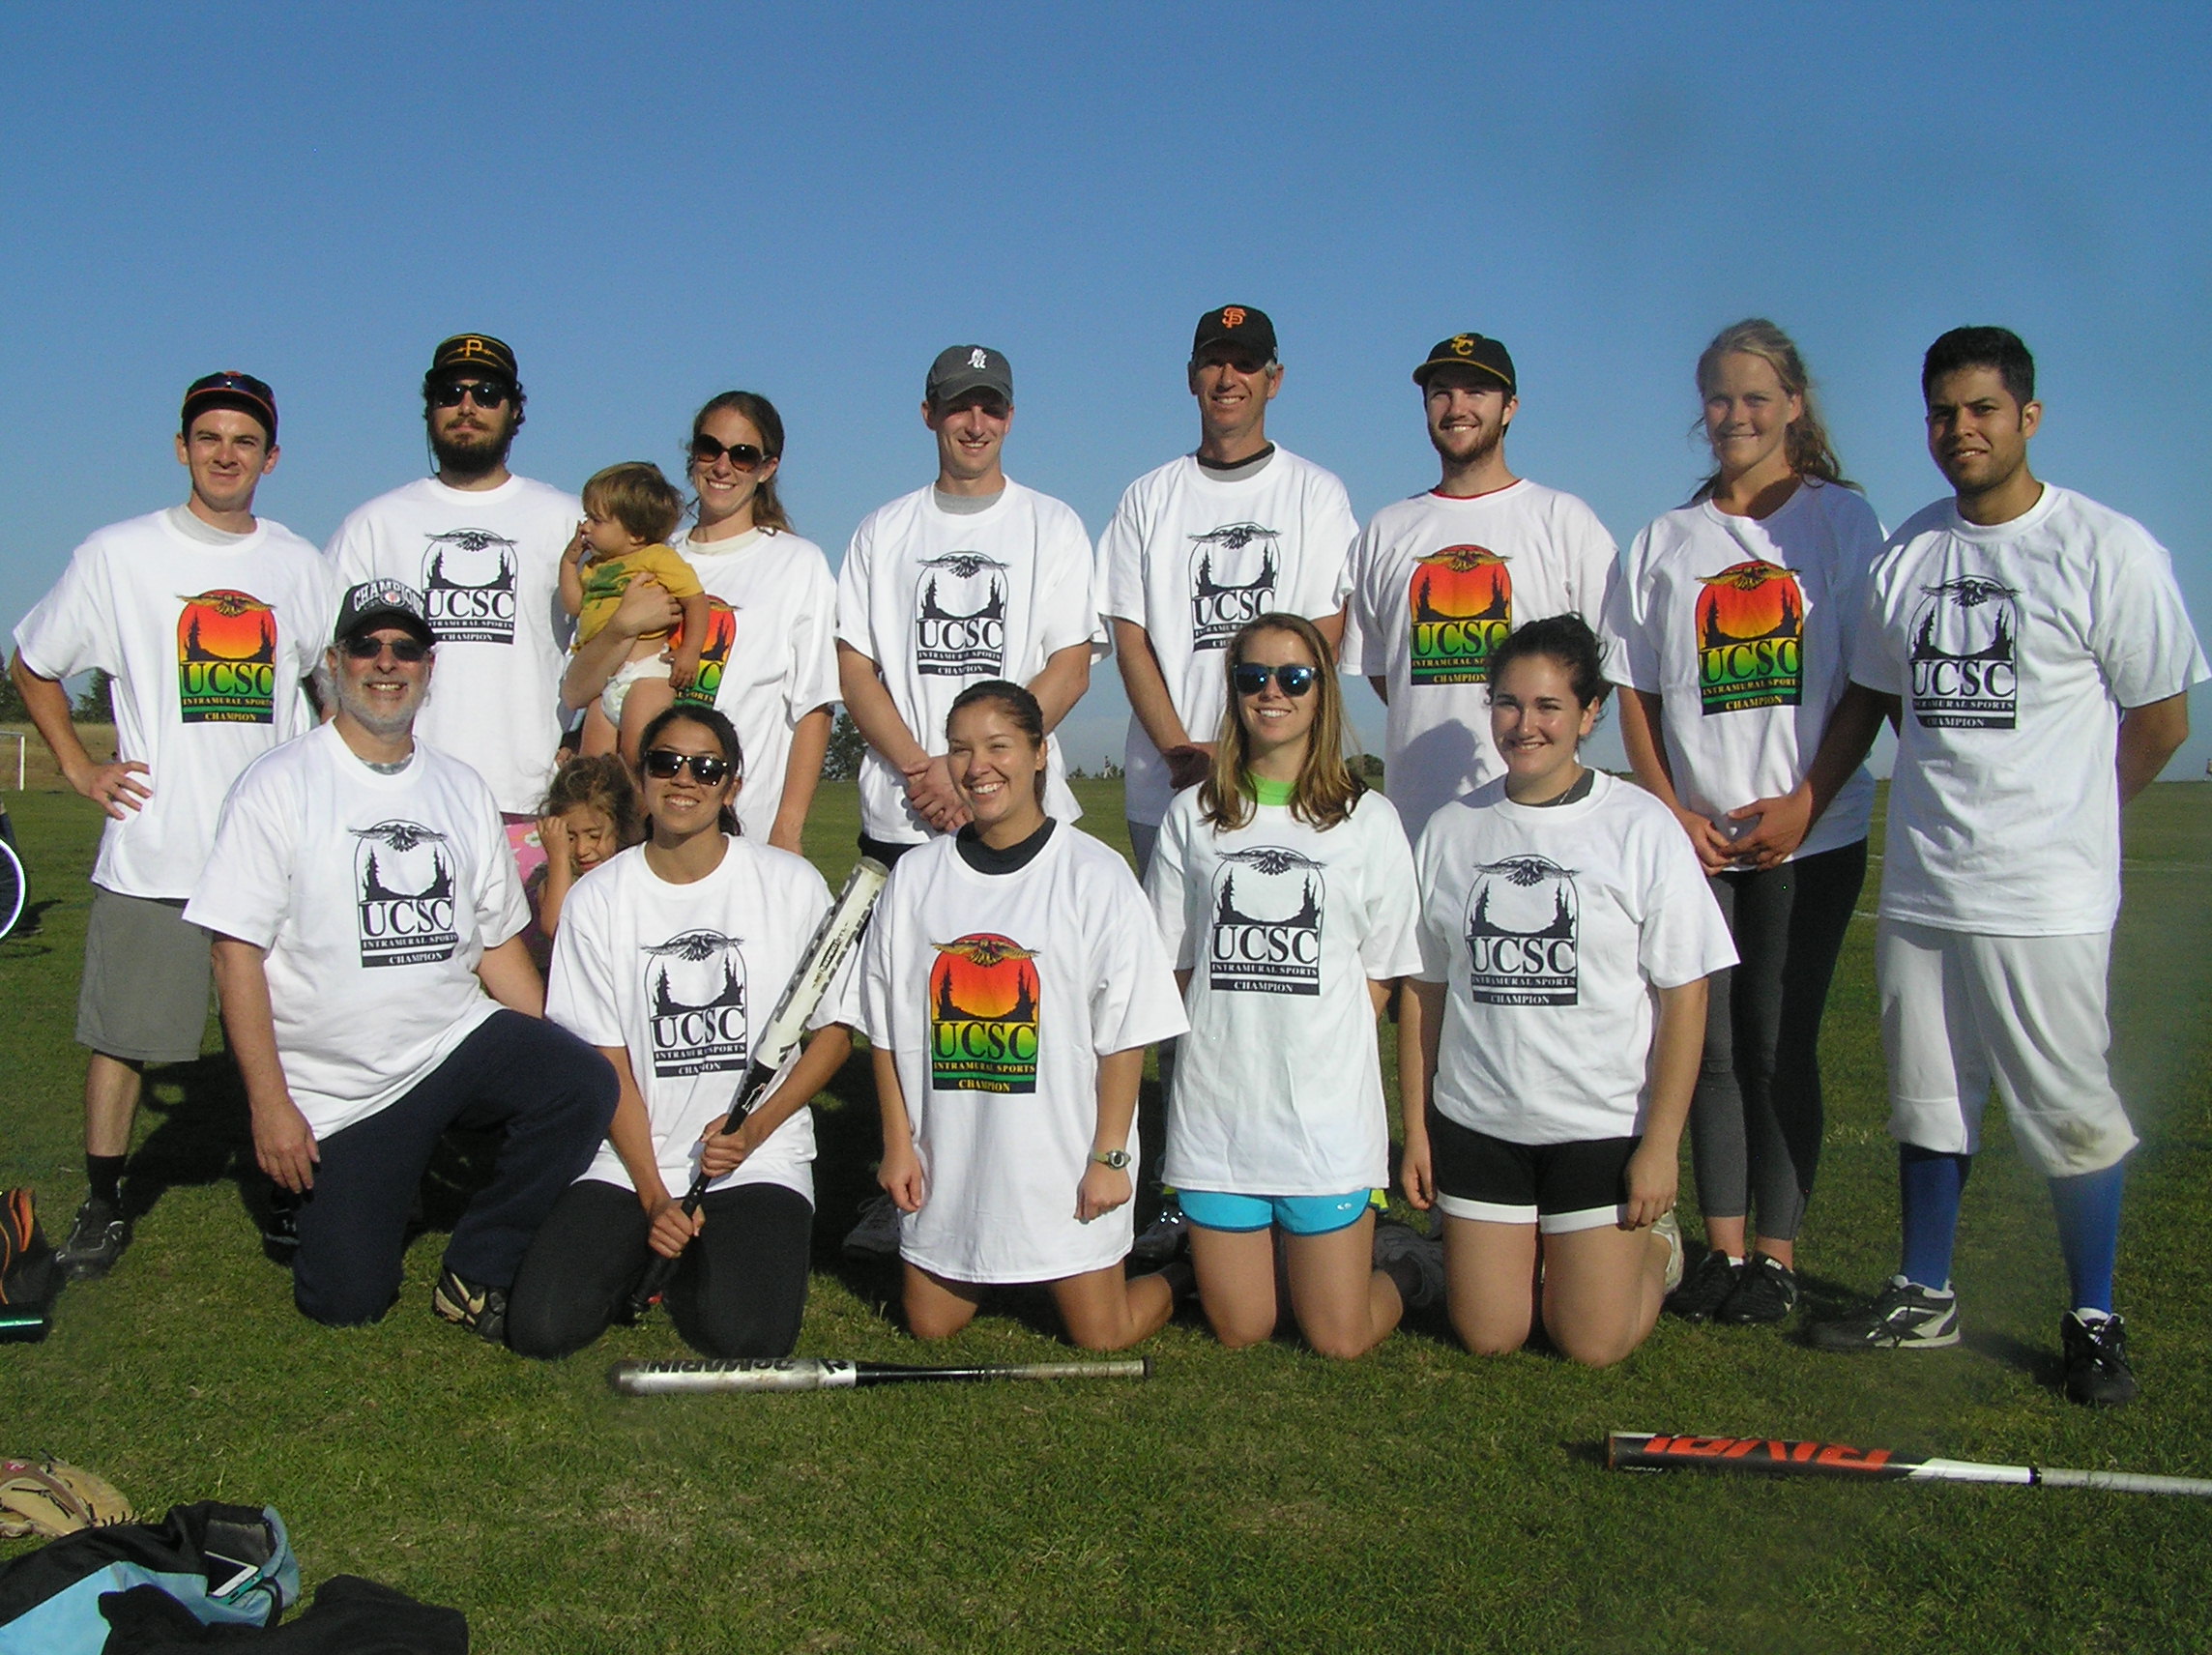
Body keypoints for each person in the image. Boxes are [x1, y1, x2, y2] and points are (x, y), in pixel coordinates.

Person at [1808, 327, 2206, 1407]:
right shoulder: (1908, 556)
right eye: (1941, 412)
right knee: (1926, 1098)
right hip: (1926, 882)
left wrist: (2079, 818)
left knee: (2067, 1103)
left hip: (2046, 894)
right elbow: (1878, 696)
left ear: (2027, 417)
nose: (1959, 430)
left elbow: (2159, 717)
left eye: (1981, 408)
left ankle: (2091, 1314)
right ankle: (1921, 1291)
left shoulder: (2103, 547)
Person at [183, 582, 618, 1335]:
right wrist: (271, 1106)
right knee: (345, 1303)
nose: (387, 664)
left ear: (428, 665)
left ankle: (476, 1266)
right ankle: (361, 1184)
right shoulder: (278, 785)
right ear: (334, 663)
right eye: (368, 646)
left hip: (452, 1042)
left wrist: (552, 1041)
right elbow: (235, 956)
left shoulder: (459, 786)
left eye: (406, 649)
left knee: (580, 1080)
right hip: (343, 1092)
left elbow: (494, 945)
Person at [9, 372, 331, 1280]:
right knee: (125, 1038)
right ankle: (105, 1203)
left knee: (293, 1036)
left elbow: (328, 690)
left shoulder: (299, 565)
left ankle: (290, 1192)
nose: (225, 454)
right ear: (181, 447)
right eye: (208, 437)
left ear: (271, 458)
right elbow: (34, 663)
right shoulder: (120, 556)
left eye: (244, 441)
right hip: (158, 850)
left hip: (275, 854)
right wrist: (79, 766)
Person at [1605, 319, 1886, 1326]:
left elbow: (1868, 678)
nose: (1734, 416)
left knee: (1777, 1043)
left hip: (1809, 833)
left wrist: (1809, 795)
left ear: (1793, 405)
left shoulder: (1841, 525)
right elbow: (1629, 686)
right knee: (1709, 1050)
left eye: (1754, 398)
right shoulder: (1663, 542)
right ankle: (1720, 1249)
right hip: (1697, 839)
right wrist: (1667, 805)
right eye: (1718, 399)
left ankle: (1775, 1253)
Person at [1399, 616, 1735, 1367]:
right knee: (1491, 1336)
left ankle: (1654, 1249)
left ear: (1589, 714)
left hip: (1600, 1127)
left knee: (1590, 1343)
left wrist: (1659, 1147)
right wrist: (1419, 1130)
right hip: (1481, 1123)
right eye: (1509, 703)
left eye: (1549, 706)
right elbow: (1424, 990)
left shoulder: (1640, 826)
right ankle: (1543, 1249)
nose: (1526, 725)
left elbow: (1686, 997)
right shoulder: (1453, 830)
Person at [507, 706, 856, 1359]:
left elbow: (833, 1032)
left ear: (732, 785)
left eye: (706, 767)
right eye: (665, 763)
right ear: (641, 779)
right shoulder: (597, 900)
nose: (684, 779)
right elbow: (604, 1061)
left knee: (747, 1336)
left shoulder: (789, 884)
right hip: (631, 1157)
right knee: (541, 1327)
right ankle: (664, 1244)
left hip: (760, 1158)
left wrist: (755, 1128)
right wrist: (654, 1196)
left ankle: (704, 1258)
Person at [861, 682, 1190, 1350]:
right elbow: (884, 1031)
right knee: (930, 1323)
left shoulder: (1096, 876)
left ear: (1041, 755)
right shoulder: (917, 878)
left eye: (999, 747)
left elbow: (1125, 1036)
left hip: (1061, 1168)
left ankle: (1190, 1272)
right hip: (952, 1164)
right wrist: (898, 1144)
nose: (977, 766)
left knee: (1102, 1333)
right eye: (959, 749)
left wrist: (1110, 1155)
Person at [1144, 615, 1436, 1356]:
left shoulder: (1368, 821)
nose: (1271, 692)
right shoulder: (1193, 816)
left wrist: (1315, 1036)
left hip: (1324, 1121)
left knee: (1337, 1338)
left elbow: (1383, 974)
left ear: (1322, 692)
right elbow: (1173, 967)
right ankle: (1224, 1253)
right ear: (1234, 691)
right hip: (1219, 1115)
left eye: (1293, 677)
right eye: (1253, 677)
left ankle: (1410, 1264)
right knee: (1243, 1331)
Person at [1099, 305, 1357, 876]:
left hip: (1283, 783)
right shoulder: (1147, 498)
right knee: (1173, 961)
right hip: (1167, 787)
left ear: (1274, 379)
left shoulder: (1316, 494)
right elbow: (1131, 640)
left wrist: (1249, 752)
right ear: (1192, 375)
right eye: (1214, 363)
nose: (1227, 379)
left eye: (1245, 364)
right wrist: (1183, 754)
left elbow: (1322, 637)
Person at [1339, 333, 1619, 848]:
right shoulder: (1387, 529)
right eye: (1441, 392)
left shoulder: (1563, 520)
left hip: (1539, 823)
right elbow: (1386, 673)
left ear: (1510, 407)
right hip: (1417, 824)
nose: (1457, 407)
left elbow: (1606, 666)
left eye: (1476, 393)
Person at [326, 334, 581, 883]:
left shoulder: (566, 520)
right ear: (429, 408)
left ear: (515, 411)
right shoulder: (375, 524)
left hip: (534, 807)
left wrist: (581, 742)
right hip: (401, 799)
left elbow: (613, 645)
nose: (467, 406)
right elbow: (326, 666)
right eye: (450, 393)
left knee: (528, 971)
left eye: (487, 393)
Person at [835, 346, 1100, 867]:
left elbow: (1070, 670)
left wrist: (980, 763)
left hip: (1025, 812)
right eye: (960, 406)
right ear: (929, 413)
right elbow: (855, 672)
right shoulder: (881, 531)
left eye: (992, 408)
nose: (977, 424)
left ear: (1010, 418)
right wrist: (924, 770)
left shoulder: (1054, 524)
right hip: (907, 812)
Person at [563, 392, 837, 855]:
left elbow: (814, 705)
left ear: (767, 468)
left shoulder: (797, 563)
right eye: (710, 448)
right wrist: (623, 625)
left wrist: (788, 829)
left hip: (743, 832)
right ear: (692, 456)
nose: (722, 466)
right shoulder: (646, 553)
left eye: (743, 455)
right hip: (637, 837)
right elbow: (575, 691)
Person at [559, 462, 707, 766]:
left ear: (636, 534)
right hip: (605, 681)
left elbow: (696, 601)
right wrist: (567, 565)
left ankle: (643, 807)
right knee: (594, 762)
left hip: (646, 675)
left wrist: (691, 651)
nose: (585, 527)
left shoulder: (657, 557)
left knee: (639, 756)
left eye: (596, 520)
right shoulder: (594, 567)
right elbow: (575, 606)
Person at [527, 754, 642, 961]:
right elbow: (556, 927)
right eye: (569, 837)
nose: (582, 849)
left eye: (594, 835)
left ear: (620, 827)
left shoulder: (634, 872)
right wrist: (559, 857)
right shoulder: (558, 879)